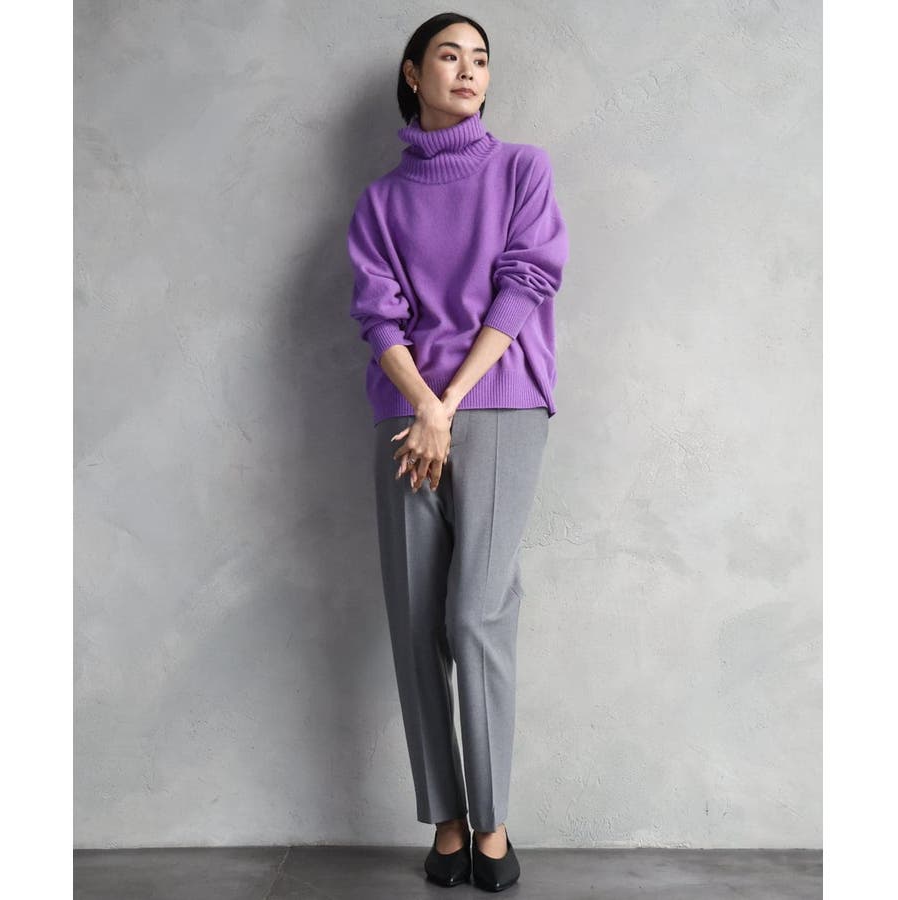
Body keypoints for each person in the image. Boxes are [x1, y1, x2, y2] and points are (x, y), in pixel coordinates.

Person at [346, 11, 569, 892]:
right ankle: (445, 821)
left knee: (476, 614)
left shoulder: (522, 170)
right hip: (407, 416)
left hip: (500, 401)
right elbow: (378, 316)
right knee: (414, 620)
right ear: (413, 73)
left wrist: (447, 401)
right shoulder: (380, 202)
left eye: (480, 58)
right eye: (449, 55)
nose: (468, 70)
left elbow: (527, 280)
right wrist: (422, 406)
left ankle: (492, 825)